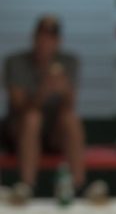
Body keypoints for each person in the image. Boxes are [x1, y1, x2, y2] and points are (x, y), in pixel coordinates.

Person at [3, 15, 85, 202]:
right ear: (33, 38)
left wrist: (65, 91)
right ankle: (26, 187)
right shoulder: (15, 61)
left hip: (53, 136)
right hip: (19, 134)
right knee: (33, 118)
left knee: (70, 119)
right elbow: (18, 107)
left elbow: (70, 106)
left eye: (50, 38)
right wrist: (43, 92)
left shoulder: (68, 62)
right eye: (41, 37)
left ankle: (78, 186)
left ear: (58, 41)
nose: (45, 43)